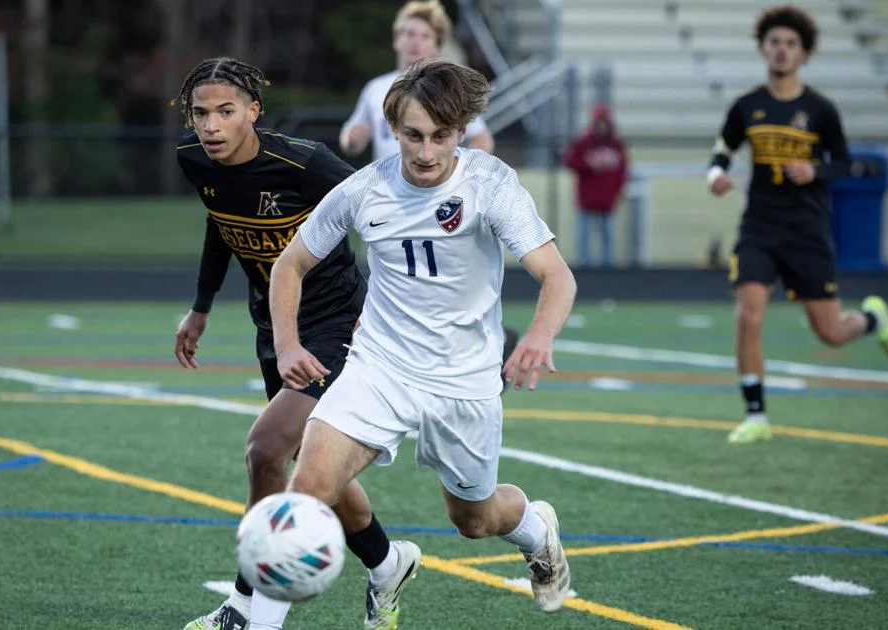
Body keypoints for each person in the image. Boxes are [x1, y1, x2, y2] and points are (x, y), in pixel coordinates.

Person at [270, 58, 577, 617]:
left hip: (464, 379)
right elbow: (289, 265)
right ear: (394, 130)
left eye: (442, 136)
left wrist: (538, 334)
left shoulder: (489, 183)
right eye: (414, 135)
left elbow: (557, 275)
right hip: (379, 367)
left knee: (474, 520)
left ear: (460, 132)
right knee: (308, 485)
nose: (427, 151)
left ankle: (537, 531)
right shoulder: (363, 190)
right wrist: (288, 344)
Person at [172, 57, 418, 630]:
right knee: (317, 466)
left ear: (253, 112)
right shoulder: (193, 160)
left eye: (226, 112)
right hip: (273, 326)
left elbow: (386, 219)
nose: (211, 125)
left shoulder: (305, 164)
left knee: (265, 450)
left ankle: (245, 608)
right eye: (200, 113)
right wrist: (201, 307)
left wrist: (383, 308)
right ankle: (387, 563)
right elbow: (220, 223)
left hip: (339, 324)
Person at [707, 4, 888, 444]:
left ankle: (871, 319)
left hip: (806, 232)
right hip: (759, 228)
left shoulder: (820, 110)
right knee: (748, 314)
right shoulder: (747, 106)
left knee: (831, 332)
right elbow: (722, 149)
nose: (782, 50)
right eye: (775, 42)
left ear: (804, 53)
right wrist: (715, 175)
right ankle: (756, 415)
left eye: (791, 44)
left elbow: (845, 163)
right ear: (762, 48)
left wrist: (816, 170)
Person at [340, 0, 495, 163]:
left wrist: (464, 173)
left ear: (437, 46)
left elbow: (482, 138)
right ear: (396, 40)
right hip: (388, 186)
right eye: (409, 34)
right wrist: (351, 140)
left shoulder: (447, 89)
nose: (416, 42)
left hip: (433, 185)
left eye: (425, 36)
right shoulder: (375, 88)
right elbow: (350, 139)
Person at [564, 104, 628, 268]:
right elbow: (570, 162)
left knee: (607, 234)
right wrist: (589, 163)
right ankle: (584, 267)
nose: (601, 126)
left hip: (607, 198)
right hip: (587, 197)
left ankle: (607, 268)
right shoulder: (584, 142)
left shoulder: (616, 144)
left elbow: (623, 171)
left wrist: (619, 192)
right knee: (584, 235)